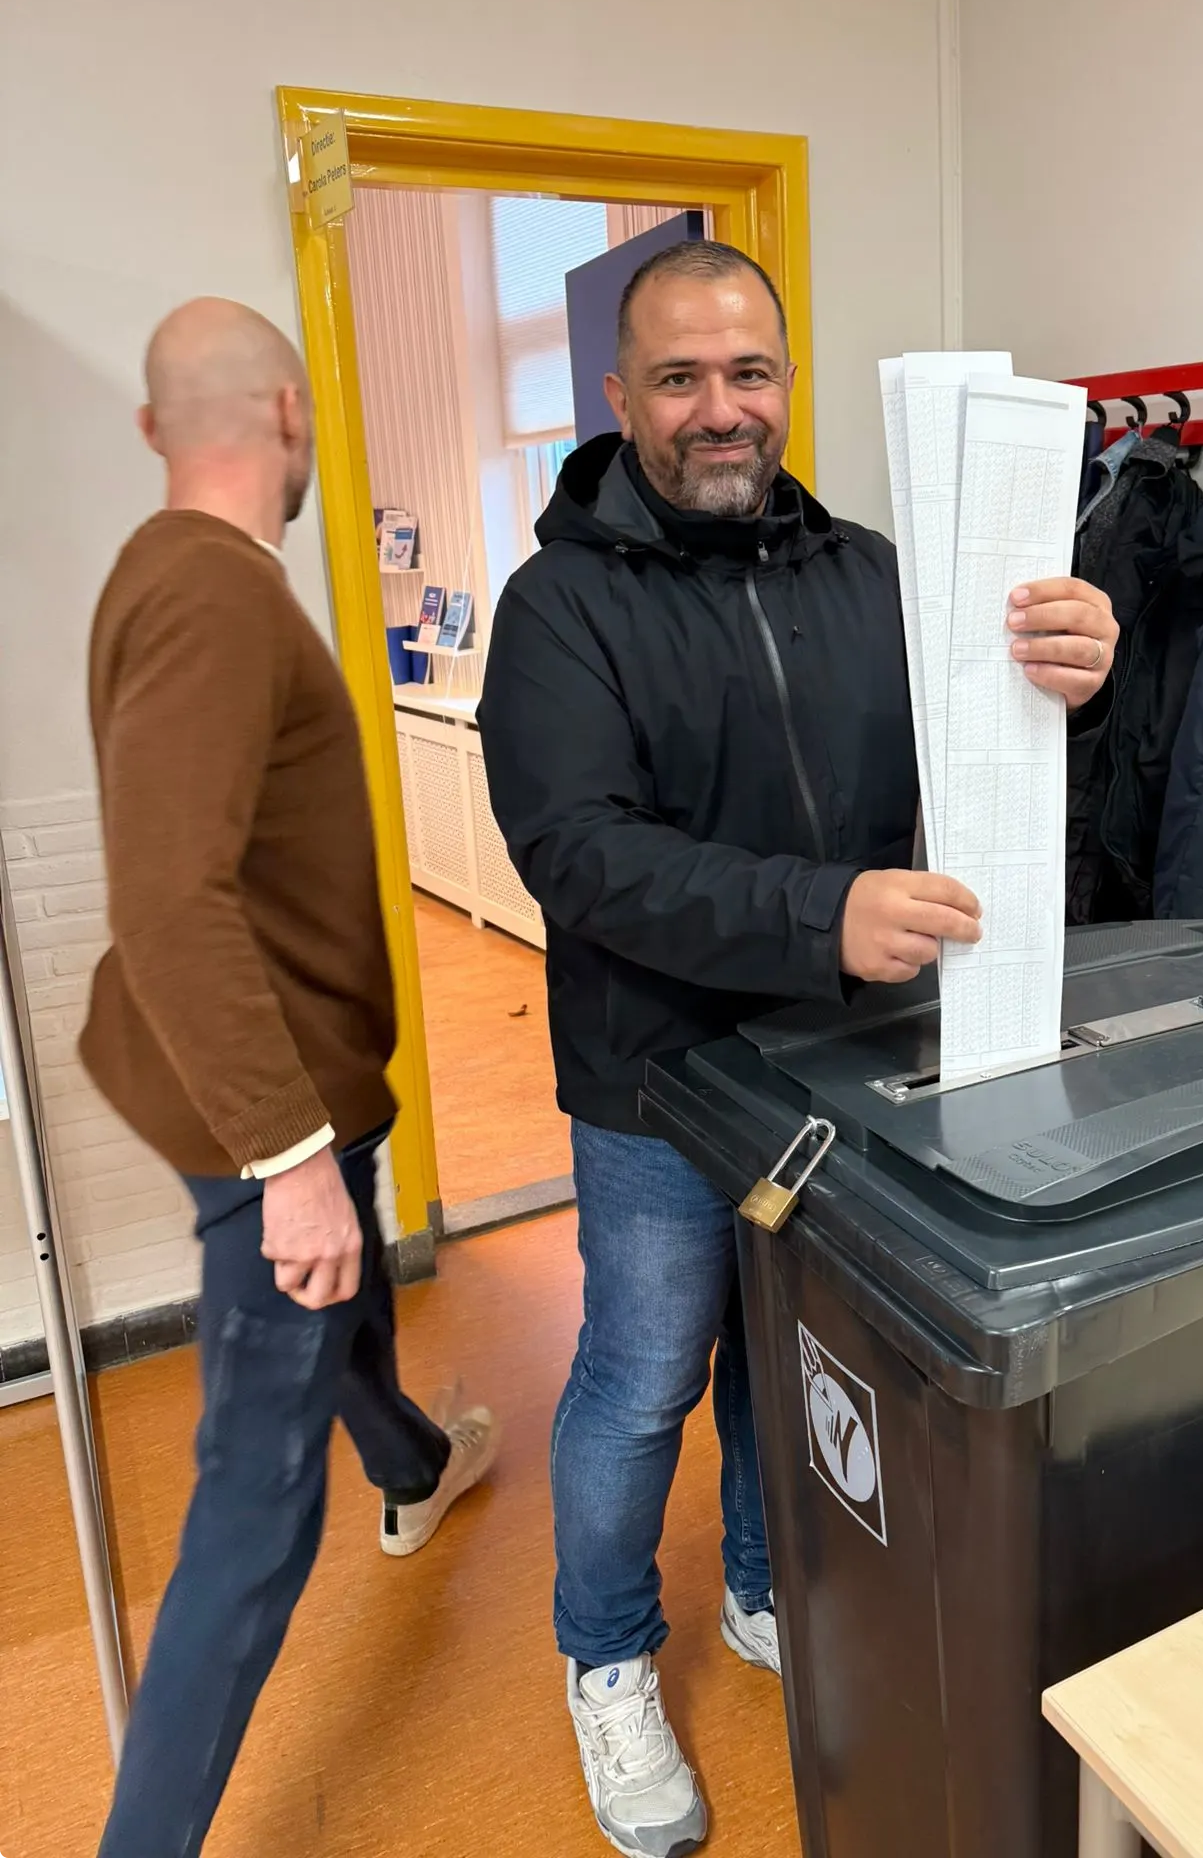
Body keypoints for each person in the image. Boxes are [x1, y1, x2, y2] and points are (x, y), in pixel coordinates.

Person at [477, 242, 1117, 1858]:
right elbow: (579, 852)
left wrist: (1076, 675)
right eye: (680, 379)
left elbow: (990, 739)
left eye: (748, 373)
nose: (720, 410)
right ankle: (609, 1656)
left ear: (785, 384)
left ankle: (769, 1589)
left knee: (792, 1365)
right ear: (618, 401)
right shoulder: (561, 608)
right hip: (656, 1081)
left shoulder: (881, 571)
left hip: (842, 1079)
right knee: (642, 1381)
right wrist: (817, 913)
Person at [83, 298, 498, 1858]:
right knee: (257, 1500)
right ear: (289, 411)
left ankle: (415, 1467)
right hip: (270, 1123)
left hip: (295, 1095)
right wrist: (291, 1163)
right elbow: (169, 901)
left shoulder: (167, 571)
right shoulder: (214, 599)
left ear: (151, 431)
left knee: (356, 1323)